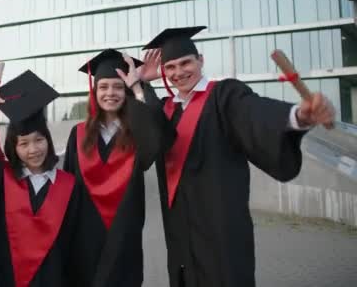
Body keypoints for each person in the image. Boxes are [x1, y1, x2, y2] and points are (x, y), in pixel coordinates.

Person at [139, 26, 336, 287]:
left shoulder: (224, 95)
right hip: (180, 229)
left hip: (221, 228)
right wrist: (143, 80)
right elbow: (146, 126)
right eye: (171, 67)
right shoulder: (167, 109)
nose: (178, 73)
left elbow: (253, 112)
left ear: (201, 60)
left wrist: (298, 115)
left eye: (185, 62)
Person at [0, 70, 81, 287]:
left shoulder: (68, 185)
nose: (33, 149)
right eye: (24, 143)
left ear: (48, 140)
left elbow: (76, 248)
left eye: (39, 140)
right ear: (13, 147)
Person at [62, 49, 176, 287]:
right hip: (84, 239)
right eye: (103, 87)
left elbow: (159, 141)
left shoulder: (136, 132)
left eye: (117, 87)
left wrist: (138, 87)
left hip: (124, 234)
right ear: (94, 92)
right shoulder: (78, 135)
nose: (110, 93)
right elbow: (67, 189)